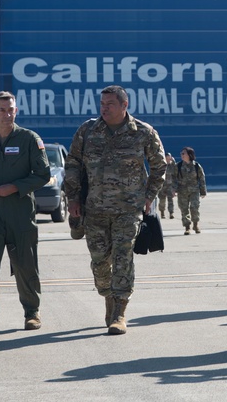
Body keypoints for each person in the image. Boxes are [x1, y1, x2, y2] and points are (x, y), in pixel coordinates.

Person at [63, 85, 167, 335]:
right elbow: (73, 164)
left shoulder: (143, 132)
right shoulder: (87, 131)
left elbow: (159, 166)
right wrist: (73, 198)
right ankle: (108, 296)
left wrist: (148, 197)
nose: (104, 108)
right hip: (94, 208)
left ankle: (120, 311)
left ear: (124, 105)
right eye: (102, 104)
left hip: (128, 210)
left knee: (123, 256)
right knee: (100, 262)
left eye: (110, 104)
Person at [0, 91, 51, 339]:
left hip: (21, 211)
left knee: (26, 265)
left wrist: (15, 187)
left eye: (11, 109)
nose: (7, 114)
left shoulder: (29, 139)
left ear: (17, 111)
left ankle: (32, 312)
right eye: (2, 110)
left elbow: (43, 174)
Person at [176, 147, 206, 234]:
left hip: (194, 191)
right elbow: (173, 178)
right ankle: (187, 227)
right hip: (182, 191)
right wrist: (173, 189)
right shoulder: (178, 166)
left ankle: (195, 225)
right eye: (181, 153)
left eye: (183, 153)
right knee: (184, 209)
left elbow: (202, 178)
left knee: (194, 207)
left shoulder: (196, 166)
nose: (181, 155)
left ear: (189, 155)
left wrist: (203, 191)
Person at [159, 153, 177, 219]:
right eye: (167, 158)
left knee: (170, 200)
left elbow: (176, 170)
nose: (168, 160)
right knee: (162, 200)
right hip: (162, 186)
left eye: (169, 158)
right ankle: (162, 213)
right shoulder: (162, 165)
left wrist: (173, 162)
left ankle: (171, 213)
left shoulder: (172, 166)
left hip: (170, 186)